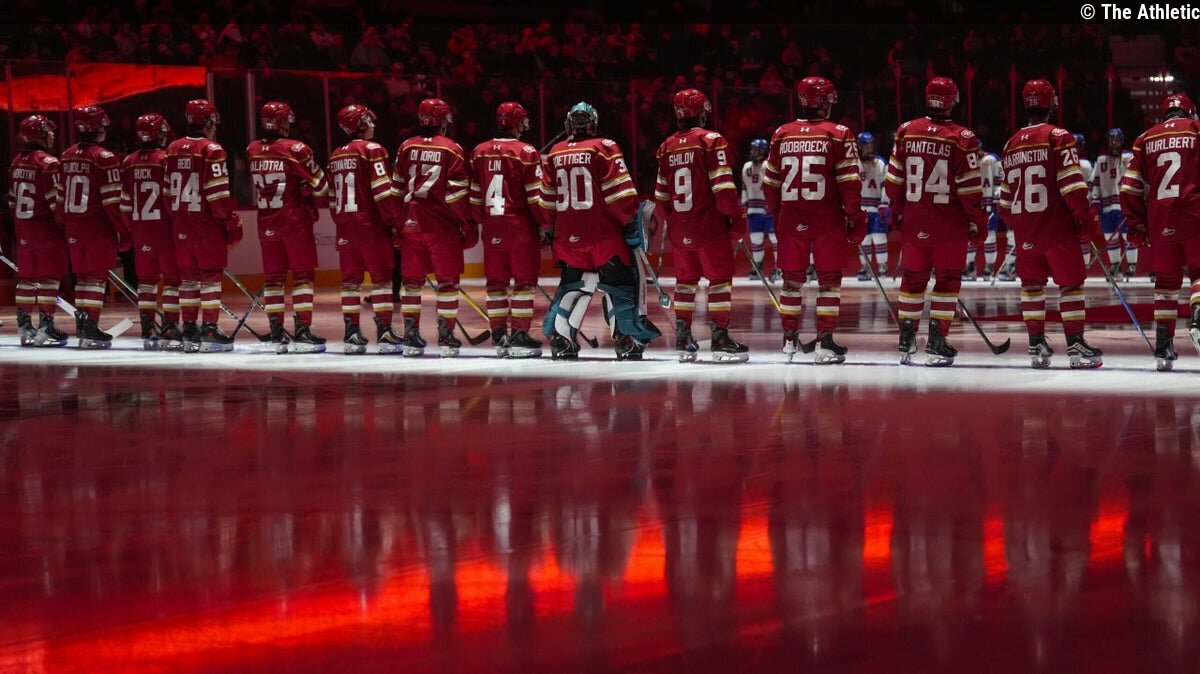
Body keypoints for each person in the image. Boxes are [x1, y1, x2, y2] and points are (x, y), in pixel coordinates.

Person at [542, 101, 660, 360]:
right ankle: (626, 339)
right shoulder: (604, 147)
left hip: (568, 239)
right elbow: (621, 195)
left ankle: (561, 339)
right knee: (619, 284)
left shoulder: (555, 152)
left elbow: (547, 200)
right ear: (593, 123)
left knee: (574, 284)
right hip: (604, 236)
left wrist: (550, 228)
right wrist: (630, 220)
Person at [999, 79, 1103, 369]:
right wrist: (1085, 218)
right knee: (1070, 285)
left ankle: (1036, 344)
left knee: (1032, 287)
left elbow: (1004, 203)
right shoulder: (1059, 136)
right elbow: (1073, 186)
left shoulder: (1010, 144)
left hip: (1026, 233)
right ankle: (1076, 344)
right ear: (1051, 103)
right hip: (1057, 230)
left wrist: (1023, 226)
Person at [884, 76, 988, 366]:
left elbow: (893, 182)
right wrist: (977, 221)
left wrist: (898, 211)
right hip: (949, 225)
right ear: (953, 100)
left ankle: (906, 338)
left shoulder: (906, 130)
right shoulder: (963, 137)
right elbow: (970, 189)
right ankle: (937, 340)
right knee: (947, 280)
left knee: (912, 279)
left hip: (914, 221)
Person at [763, 76, 866, 364]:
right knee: (829, 282)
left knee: (791, 282)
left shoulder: (781, 133)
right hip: (826, 219)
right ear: (823, 101)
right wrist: (855, 216)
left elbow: (770, 183)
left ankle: (789, 340)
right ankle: (824, 342)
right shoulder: (839, 134)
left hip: (791, 217)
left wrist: (777, 213)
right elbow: (850, 183)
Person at [652, 88, 749, 363]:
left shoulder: (666, 146)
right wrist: (736, 217)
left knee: (685, 283)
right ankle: (720, 339)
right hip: (709, 226)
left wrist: (676, 222)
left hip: (680, 227)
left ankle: (683, 338)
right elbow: (724, 189)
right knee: (719, 281)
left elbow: (661, 197)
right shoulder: (711, 140)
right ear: (701, 111)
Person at [1120, 92, 1200, 371]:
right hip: (1195, 214)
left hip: (1159, 220)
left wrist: (1137, 223)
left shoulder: (1145, 138)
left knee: (1166, 283)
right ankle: (1199, 316)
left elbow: (1129, 187)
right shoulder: (1196, 129)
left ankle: (1164, 347)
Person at [468, 101, 553, 358]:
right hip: (520, 229)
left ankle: (498, 336)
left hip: (492, 227)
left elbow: (474, 197)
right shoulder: (526, 151)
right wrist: (545, 225)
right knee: (524, 284)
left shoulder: (479, 151)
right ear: (518, 122)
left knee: (495, 284)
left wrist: (480, 222)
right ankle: (518, 336)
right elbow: (535, 197)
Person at [392, 97, 475, 357]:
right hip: (442, 227)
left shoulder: (406, 146)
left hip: (411, 224)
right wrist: (466, 223)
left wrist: (397, 223)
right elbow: (456, 194)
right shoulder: (452, 148)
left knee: (411, 283)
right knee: (447, 283)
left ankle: (411, 337)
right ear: (443, 120)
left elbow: (396, 189)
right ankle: (446, 337)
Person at [247, 101, 330, 354]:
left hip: (266, 223)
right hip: (294, 222)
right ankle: (302, 330)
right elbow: (321, 185)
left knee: (274, 280)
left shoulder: (252, 149)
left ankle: (276, 332)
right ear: (283, 122)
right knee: (303, 277)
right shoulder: (296, 149)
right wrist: (309, 198)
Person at [164, 98, 243, 352]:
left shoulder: (173, 148)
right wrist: (228, 220)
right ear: (208, 121)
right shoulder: (212, 149)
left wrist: (178, 218)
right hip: (206, 226)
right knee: (210, 277)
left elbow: (167, 193)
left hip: (180, 224)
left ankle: (189, 329)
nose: (215, 125)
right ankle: (209, 328)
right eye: (213, 120)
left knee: (188, 279)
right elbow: (217, 194)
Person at [327, 104, 406, 355]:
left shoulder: (335, 155)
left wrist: (342, 222)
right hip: (371, 226)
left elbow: (332, 198)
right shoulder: (373, 150)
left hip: (345, 227)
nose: (372, 124)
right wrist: (395, 222)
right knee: (382, 281)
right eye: (368, 121)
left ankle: (351, 334)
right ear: (360, 124)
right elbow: (383, 192)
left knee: (350, 283)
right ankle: (384, 332)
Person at [60, 105, 126, 349]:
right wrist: (123, 229)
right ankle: (91, 327)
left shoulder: (66, 155)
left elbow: (59, 197)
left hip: (73, 228)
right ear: (98, 127)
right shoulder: (105, 158)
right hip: (97, 228)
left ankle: (84, 325)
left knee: (82, 279)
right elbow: (112, 202)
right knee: (96, 279)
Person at [120, 112, 182, 350]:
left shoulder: (128, 161)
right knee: (172, 281)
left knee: (146, 282)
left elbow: (125, 203)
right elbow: (171, 198)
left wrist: (129, 229)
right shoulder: (166, 159)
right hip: (164, 229)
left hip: (141, 230)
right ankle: (170, 326)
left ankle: (147, 328)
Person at [6, 114, 69, 347]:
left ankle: (24, 328)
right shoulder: (49, 162)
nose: (52, 134)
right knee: (49, 279)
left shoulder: (16, 162)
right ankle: (46, 327)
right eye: (48, 131)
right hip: (46, 228)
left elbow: (12, 202)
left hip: (24, 228)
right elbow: (55, 202)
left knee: (27, 279)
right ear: (40, 135)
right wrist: (65, 226)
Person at [1093, 127, 1136, 278]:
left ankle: (1131, 264)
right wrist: (1095, 199)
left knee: (1128, 235)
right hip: (1106, 206)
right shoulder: (1101, 160)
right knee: (1109, 236)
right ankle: (1115, 266)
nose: (1114, 143)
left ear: (1122, 141)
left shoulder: (1129, 158)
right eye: (1111, 140)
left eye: (1117, 140)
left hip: (1124, 205)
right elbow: (1095, 181)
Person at [741, 138, 778, 280]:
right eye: (753, 149)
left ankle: (779, 268)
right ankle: (757, 267)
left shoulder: (768, 165)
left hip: (768, 207)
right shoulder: (746, 166)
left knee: (775, 238)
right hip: (753, 208)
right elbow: (744, 187)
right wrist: (744, 204)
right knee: (756, 238)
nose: (754, 152)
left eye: (757, 150)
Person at [857, 131, 890, 280]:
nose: (869, 149)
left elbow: (886, 185)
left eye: (871, 146)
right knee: (863, 239)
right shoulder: (854, 163)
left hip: (877, 206)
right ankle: (866, 267)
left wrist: (884, 203)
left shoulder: (881, 163)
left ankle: (883, 267)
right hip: (860, 207)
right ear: (859, 147)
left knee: (879, 237)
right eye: (866, 146)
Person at [978, 149, 1013, 279]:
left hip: (992, 202)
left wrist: (988, 204)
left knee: (989, 234)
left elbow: (988, 184)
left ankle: (990, 267)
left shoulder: (988, 160)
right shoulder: (994, 158)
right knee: (1011, 233)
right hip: (1004, 197)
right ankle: (1007, 267)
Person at [1075, 133, 1098, 268]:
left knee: (1082, 238)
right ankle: (1082, 266)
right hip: (1080, 207)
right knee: (1081, 238)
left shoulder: (1085, 165)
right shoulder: (1086, 164)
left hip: (1078, 208)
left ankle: (1082, 266)